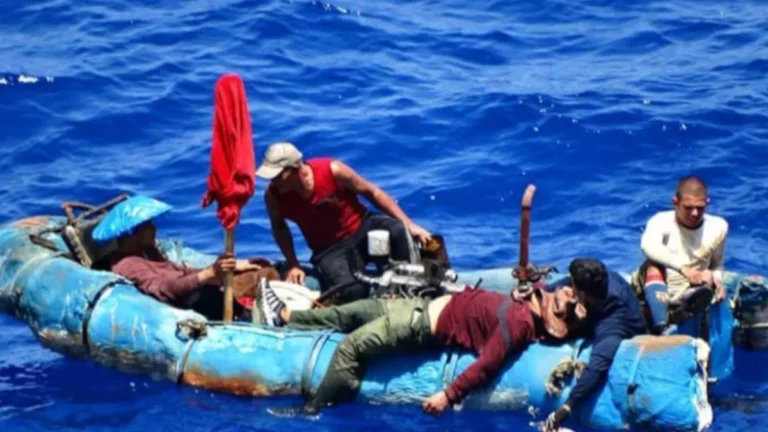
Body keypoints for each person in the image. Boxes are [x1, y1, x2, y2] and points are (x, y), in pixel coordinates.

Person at [256, 278, 588, 415]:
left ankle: (310, 411)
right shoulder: (530, 300)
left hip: (418, 326)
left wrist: (448, 395)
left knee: (350, 348)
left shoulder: (518, 327)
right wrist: (528, 291)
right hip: (418, 305)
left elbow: (488, 364)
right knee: (351, 312)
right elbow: (537, 289)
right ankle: (286, 318)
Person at [257, 141, 433, 305]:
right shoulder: (273, 196)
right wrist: (293, 264)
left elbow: (373, 192)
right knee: (353, 291)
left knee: (397, 230)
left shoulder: (332, 171)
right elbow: (279, 227)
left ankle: (414, 291)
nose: (273, 181)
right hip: (329, 250)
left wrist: (408, 223)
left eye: (278, 176)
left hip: (362, 227)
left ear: (295, 168)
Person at [95, 197, 279, 321]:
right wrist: (209, 273)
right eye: (149, 225)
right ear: (133, 233)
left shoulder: (148, 252)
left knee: (258, 272)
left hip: (198, 292)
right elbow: (167, 289)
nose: (154, 229)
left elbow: (179, 271)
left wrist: (227, 269)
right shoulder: (128, 265)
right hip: (188, 304)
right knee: (219, 299)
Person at [542, 258, 647, 432]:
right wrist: (543, 292)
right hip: (593, 311)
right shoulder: (600, 281)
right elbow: (565, 283)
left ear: (582, 294)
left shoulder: (614, 320)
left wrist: (566, 407)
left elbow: (598, 366)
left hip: (614, 325)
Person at [631, 175, 728, 332]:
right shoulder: (660, 221)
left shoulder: (719, 226)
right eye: (688, 207)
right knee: (653, 267)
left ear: (707, 203)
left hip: (692, 287)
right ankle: (661, 327)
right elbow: (648, 246)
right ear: (675, 203)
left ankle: (684, 310)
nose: (695, 213)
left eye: (700, 207)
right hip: (658, 285)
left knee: (708, 278)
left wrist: (716, 279)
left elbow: (717, 264)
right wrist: (683, 268)